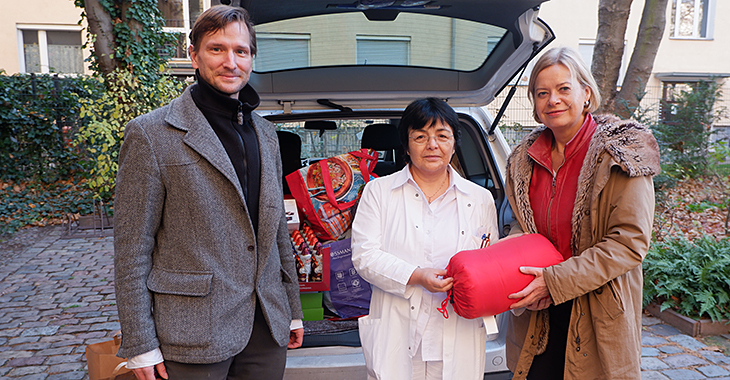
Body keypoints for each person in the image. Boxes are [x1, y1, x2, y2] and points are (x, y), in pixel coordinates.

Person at [113, 6, 303, 380]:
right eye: (217, 49)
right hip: (191, 333)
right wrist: (140, 343)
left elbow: (276, 229)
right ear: (194, 55)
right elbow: (132, 248)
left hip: (266, 327)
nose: (230, 62)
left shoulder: (266, 133)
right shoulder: (151, 134)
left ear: (251, 58)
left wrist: (292, 307)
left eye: (241, 51)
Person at [503, 46, 660, 379]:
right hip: (538, 312)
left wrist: (554, 281)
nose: (553, 100)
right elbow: (520, 223)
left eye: (563, 89)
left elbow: (628, 242)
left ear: (586, 93)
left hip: (597, 310)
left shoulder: (620, 155)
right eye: (542, 92)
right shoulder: (523, 160)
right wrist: (519, 271)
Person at [351, 98, 500, 380]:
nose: (432, 145)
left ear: (454, 143)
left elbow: (488, 260)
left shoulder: (480, 199)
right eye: (420, 137)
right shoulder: (378, 192)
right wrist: (416, 276)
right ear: (406, 146)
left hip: (458, 330)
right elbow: (364, 255)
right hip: (399, 332)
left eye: (442, 136)